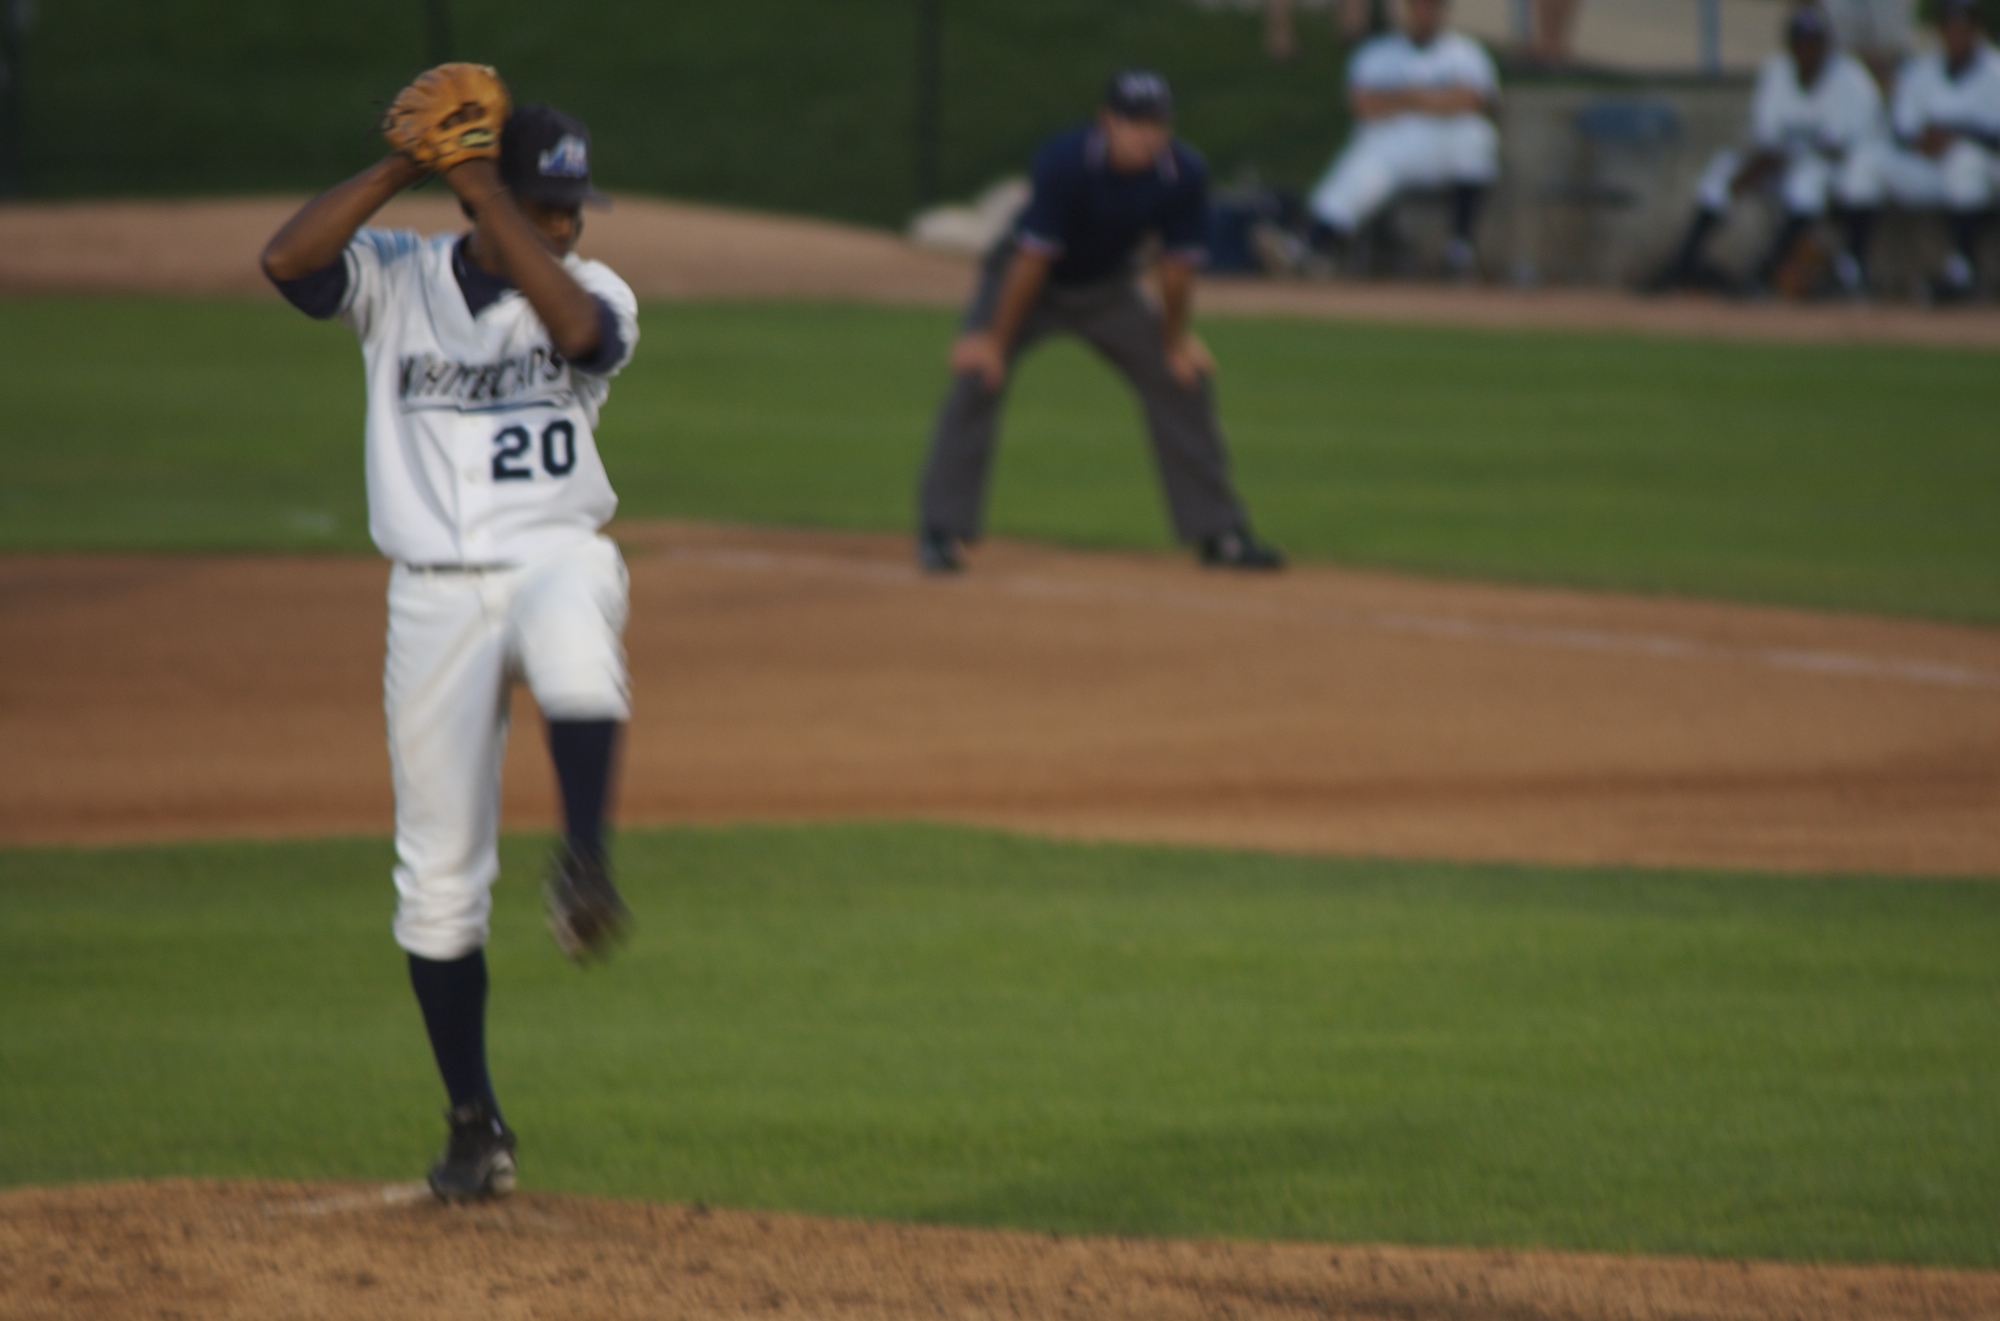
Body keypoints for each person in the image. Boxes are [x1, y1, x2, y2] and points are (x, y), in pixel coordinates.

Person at [260, 69, 641, 1202]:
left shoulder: (591, 288)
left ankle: (586, 861)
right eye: (549, 206)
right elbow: (287, 263)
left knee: (578, 637)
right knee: (434, 884)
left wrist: (483, 187)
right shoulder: (398, 279)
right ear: (492, 201)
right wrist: (403, 170)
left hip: (552, 555)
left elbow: (574, 328)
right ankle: (473, 1125)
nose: (568, 228)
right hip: (429, 597)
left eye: (571, 209)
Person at [915, 71, 1284, 575]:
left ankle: (1220, 534)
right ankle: (941, 530)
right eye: (1134, 123)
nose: (1147, 135)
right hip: (1028, 283)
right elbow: (1031, 261)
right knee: (978, 374)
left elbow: (1175, 270)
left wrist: (1174, 342)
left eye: (1157, 124)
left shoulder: (1182, 171)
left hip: (1108, 288)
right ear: (1107, 121)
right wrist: (995, 342)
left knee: (1183, 380)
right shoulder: (1066, 161)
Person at [1647, 5, 1885, 296]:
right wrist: (1752, 169)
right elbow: (1766, 139)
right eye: (1801, 42)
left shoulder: (1851, 79)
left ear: (1827, 45)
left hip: (1837, 175)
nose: (1807, 50)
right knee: (1723, 170)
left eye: (1814, 42)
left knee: (1807, 178)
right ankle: (1681, 263)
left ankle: (1765, 274)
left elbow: (1841, 148)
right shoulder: (1777, 73)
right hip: (1781, 168)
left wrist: (1782, 159)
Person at [1303, 0, 1501, 278]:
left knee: (1475, 135)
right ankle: (1314, 245)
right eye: (1417, 6)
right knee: (1362, 167)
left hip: (1444, 144)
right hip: (1392, 144)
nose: (1424, 12)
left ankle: (1460, 246)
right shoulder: (1376, 52)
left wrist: (1404, 97)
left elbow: (1474, 101)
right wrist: (1431, 98)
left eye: (1431, 6)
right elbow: (1363, 104)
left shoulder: (1465, 52)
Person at [1861, 0, 2000, 300]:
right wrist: (1924, 142)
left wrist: (1957, 136)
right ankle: (1854, 268)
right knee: (1868, 162)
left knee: (1965, 162)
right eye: (1949, 28)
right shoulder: (1922, 70)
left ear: (1977, 31)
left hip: (1984, 169)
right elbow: (1902, 128)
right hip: (1930, 167)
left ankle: (1964, 269)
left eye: (1962, 28)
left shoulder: (1995, 70)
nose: (1955, 35)